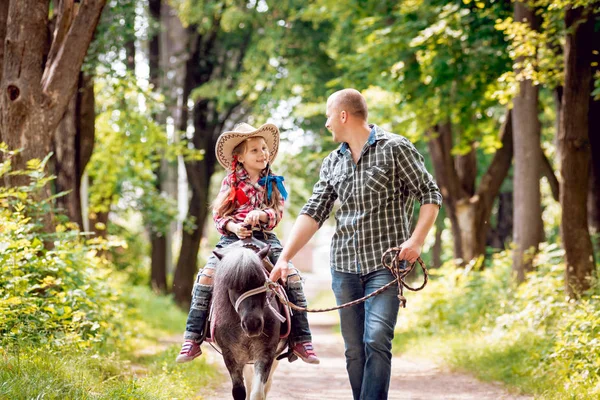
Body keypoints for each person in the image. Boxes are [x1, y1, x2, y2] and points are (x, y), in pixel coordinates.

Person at [269, 89, 442, 399]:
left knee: (376, 339)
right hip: (344, 267)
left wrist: (416, 241)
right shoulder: (332, 163)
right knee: (353, 350)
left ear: (343, 116)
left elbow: (430, 195)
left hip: (385, 266)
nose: (326, 124)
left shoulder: (395, 149)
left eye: (328, 116)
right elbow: (313, 212)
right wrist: (284, 258)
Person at [176, 122, 319, 365]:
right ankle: (192, 337)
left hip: (265, 239)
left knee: (292, 275)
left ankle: (301, 338)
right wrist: (234, 227)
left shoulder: (273, 183)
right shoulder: (229, 183)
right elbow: (219, 216)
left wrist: (262, 216)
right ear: (240, 157)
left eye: (264, 148)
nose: (262, 153)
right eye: (254, 150)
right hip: (231, 241)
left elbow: (276, 213)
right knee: (206, 277)